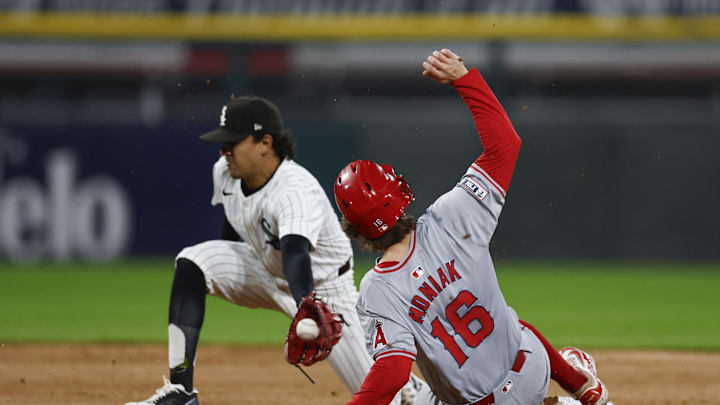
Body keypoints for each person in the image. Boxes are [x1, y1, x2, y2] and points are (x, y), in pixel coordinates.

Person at [334, 49, 610, 405]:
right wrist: (463, 77)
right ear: (398, 193)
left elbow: (393, 373)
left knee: (420, 394)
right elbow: (505, 145)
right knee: (512, 326)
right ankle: (582, 387)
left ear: (354, 229)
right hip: (531, 371)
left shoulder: (376, 291)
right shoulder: (451, 216)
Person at [125, 95, 424, 404]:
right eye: (223, 142)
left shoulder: (294, 189)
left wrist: (306, 305)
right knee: (192, 262)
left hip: (323, 291)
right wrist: (226, 269)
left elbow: (296, 253)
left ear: (265, 143)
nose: (224, 150)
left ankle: (412, 392)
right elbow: (236, 228)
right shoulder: (226, 172)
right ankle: (181, 392)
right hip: (265, 270)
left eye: (233, 141)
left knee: (383, 395)